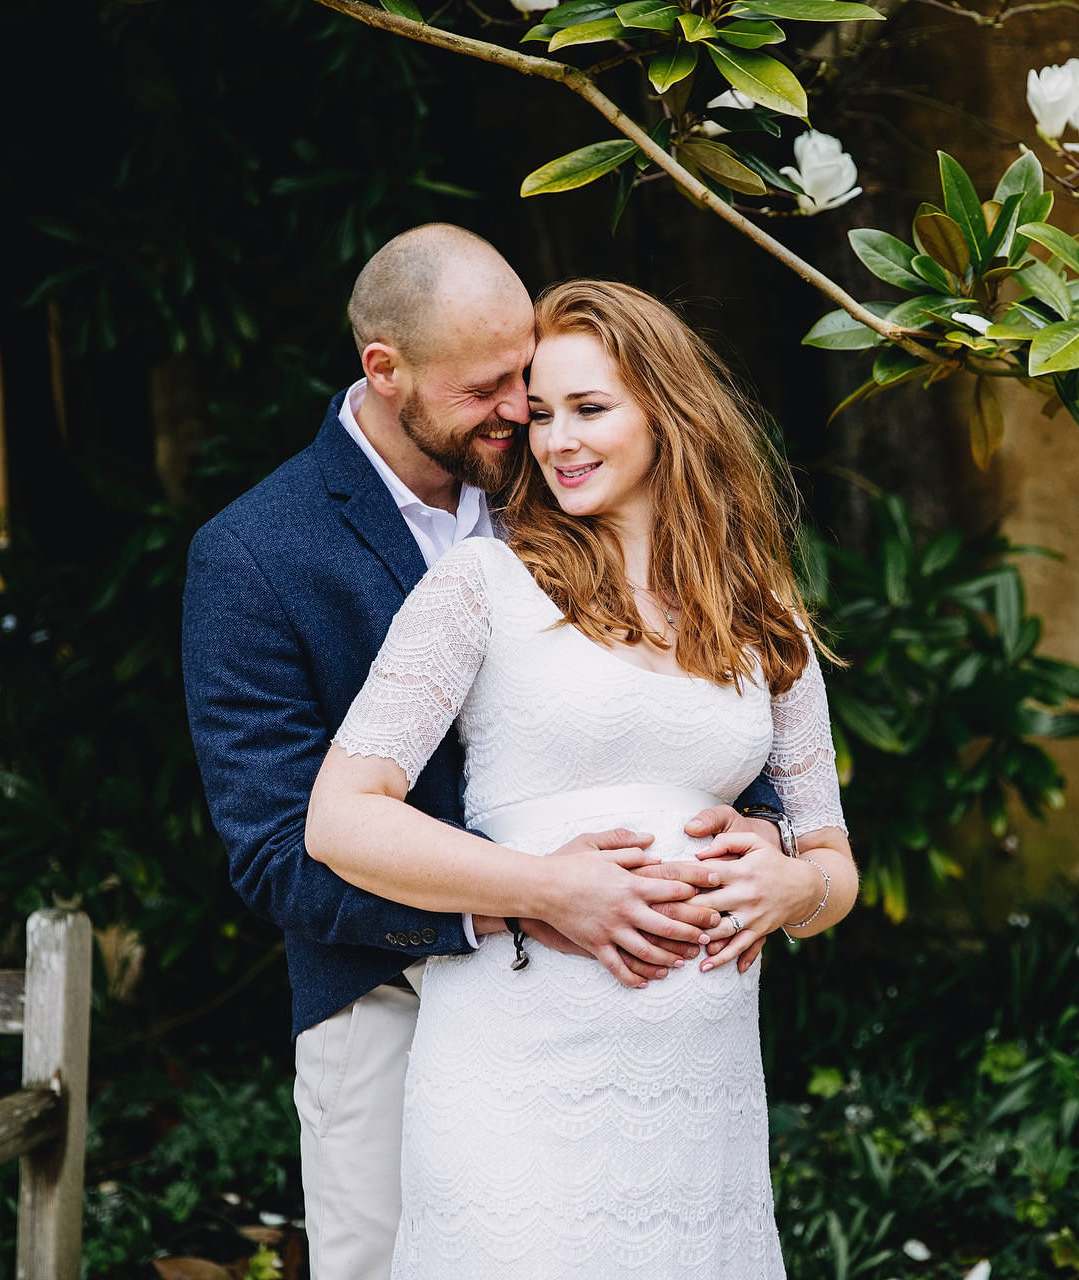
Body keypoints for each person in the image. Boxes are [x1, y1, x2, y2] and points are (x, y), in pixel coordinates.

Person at [181, 226, 794, 1280]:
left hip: (626, 1014)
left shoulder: (560, 479)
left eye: (529, 375)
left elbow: (707, 690)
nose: (523, 409)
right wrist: (523, 894)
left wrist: (765, 838)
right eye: (488, 388)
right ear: (386, 370)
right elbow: (279, 844)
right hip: (384, 987)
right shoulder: (255, 552)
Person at [305, 279, 859, 1277]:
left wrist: (795, 887)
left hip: (702, 1107)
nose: (556, 438)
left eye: (590, 408)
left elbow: (830, 857)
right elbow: (341, 819)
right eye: (544, 412)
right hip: (516, 1086)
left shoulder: (760, 608)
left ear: (668, 411)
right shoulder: (481, 585)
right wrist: (547, 885)